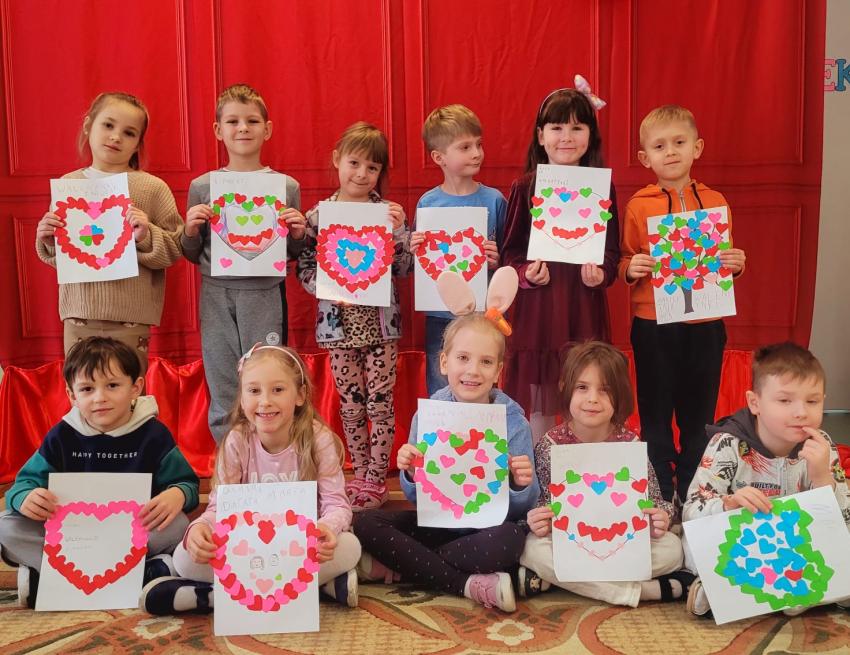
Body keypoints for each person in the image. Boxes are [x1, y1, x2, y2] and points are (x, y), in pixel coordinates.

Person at [354, 269, 539, 613]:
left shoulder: (513, 420)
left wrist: (519, 484)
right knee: (365, 523)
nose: (473, 371)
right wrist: (411, 473)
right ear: (444, 362)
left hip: (487, 530)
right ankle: (465, 582)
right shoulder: (430, 414)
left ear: (498, 371)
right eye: (463, 358)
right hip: (439, 525)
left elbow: (522, 509)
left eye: (486, 362)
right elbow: (417, 499)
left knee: (512, 540)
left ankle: (406, 565)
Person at [141, 344, 362, 614]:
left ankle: (210, 596)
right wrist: (199, 530)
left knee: (350, 547)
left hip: (301, 546)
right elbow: (219, 509)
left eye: (278, 390)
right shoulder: (237, 441)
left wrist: (325, 528)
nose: (265, 401)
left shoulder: (319, 439)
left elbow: (337, 505)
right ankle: (319, 588)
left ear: (300, 395)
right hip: (249, 548)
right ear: (242, 399)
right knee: (185, 557)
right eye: (254, 391)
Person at [0, 337, 199, 608]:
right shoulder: (61, 436)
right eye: (86, 388)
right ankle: (145, 573)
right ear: (72, 395)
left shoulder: (154, 434)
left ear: (136, 387)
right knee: (6, 526)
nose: (99, 397)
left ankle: (44, 578)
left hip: (131, 534)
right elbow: (21, 485)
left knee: (179, 525)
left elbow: (187, 484)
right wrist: (26, 497)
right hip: (73, 539)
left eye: (112, 385)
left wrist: (177, 494)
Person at [619, 104, 746, 503]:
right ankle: (658, 491)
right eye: (660, 146)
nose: (671, 152)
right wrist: (631, 267)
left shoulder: (716, 201)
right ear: (645, 158)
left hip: (706, 327)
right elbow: (624, 258)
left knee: (699, 417)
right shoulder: (639, 205)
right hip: (653, 325)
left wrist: (736, 264)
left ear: (697, 148)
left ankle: (692, 493)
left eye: (679, 142)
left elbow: (724, 260)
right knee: (655, 414)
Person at [682, 342, 850, 617]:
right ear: (755, 403)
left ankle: (740, 594)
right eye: (785, 401)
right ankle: (802, 596)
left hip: (798, 551)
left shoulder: (822, 447)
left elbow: (843, 522)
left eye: (812, 401)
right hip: (745, 548)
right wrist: (728, 504)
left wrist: (822, 479)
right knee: (691, 548)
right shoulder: (727, 444)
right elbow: (690, 511)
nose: (801, 412)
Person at [181, 84, 307, 442]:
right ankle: (230, 458)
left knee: (267, 379)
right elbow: (191, 252)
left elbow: (292, 252)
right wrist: (189, 230)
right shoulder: (203, 187)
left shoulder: (286, 187)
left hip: (264, 296)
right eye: (233, 121)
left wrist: (298, 234)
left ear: (267, 129)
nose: (243, 128)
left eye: (252, 121)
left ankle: (269, 455)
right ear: (218, 130)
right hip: (216, 295)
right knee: (222, 379)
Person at [520, 341, 691, 605]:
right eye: (582, 387)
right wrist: (538, 520)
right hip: (572, 542)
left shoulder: (630, 444)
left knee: (672, 549)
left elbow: (656, 502)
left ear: (620, 395)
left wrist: (660, 518)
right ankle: (638, 592)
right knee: (532, 549)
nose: (592, 399)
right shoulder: (550, 446)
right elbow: (539, 506)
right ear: (566, 388)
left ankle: (565, 581)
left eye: (605, 390)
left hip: (620, 542)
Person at [297, 122, 413, 510]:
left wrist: (399, 233)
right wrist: (328, 288)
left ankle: (376, 479)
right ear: (337, 160)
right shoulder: (319, 217)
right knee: (350, 404)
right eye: (354, 163)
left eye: (372, 167)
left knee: (380, 403)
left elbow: (404, 268)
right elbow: (305, 267)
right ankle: (359, 472)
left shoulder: (387, 214)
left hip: (382, 329)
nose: (362, 174)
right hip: (338, 330)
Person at [500, 77, 620, 440]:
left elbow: (611, 253)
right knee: (539, 401)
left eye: (577, 127)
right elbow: (510, 253)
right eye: (556, 128)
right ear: (541, 136)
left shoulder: (603, 188)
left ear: (590, 136)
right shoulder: (525, 187)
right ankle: (540, 465)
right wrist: (526, 273)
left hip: (582, 307)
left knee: (585, 389)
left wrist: (602, 274)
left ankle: (580, 467)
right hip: (539, 312)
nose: (566, 137)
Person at [35, 92, 184, 372]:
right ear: (88, 125)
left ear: (138, 144)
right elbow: (65, 257)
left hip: (131, 316)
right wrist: (48, 239)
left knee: (129, 387)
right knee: (83, 387)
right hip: (79, 313)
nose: (116, 137)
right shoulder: (69, 185)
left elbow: (175, 248)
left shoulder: (152, 188)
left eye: (129, 133)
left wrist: (146, 235)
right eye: (108, 125)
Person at [410, 104, 506, 394]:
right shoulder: (428, 204)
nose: (476, 153)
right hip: (440, 315)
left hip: (483, 315)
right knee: (441, 385)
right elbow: (419, 264)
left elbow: (509, 260)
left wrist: (497, 259)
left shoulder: (494, 200)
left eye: (479, 144)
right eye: (465, 147)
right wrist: (415, 249)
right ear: (439, 157)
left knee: (483, 384)